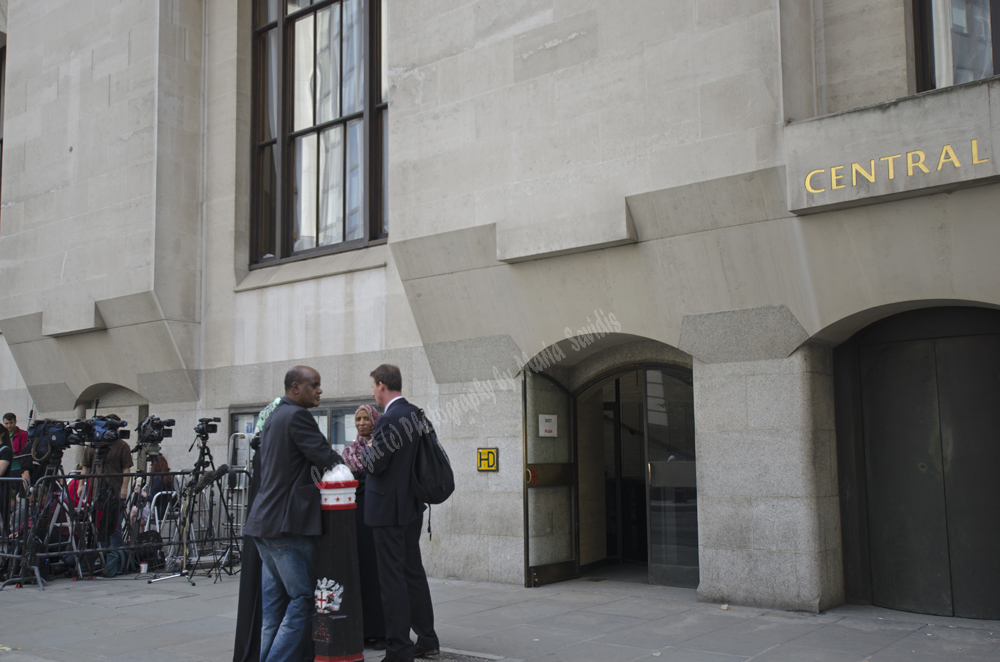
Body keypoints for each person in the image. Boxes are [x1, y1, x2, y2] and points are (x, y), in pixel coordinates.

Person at [243, 367, 344, 662]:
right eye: (315, 385)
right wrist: (349, 467)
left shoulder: (275, 416)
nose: (320, 390)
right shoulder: (298, 416)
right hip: (287, 527)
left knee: (273, 610)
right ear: (296, 387)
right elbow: (325, 457)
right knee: (301, 599)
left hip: (264, 525)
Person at [364, 364, 439, 662]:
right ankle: (427, 639)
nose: (373, 393)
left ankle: (398, 648)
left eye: (373, 387)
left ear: (382, 385)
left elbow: (375, 464)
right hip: (410, 507)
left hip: (387, 511)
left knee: (392, 579)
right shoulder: (415, 414)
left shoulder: (389, 418)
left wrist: (369, 447)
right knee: (413, 573)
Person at [342, 404, 387, 649]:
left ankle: (380, 631)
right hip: (355, 521)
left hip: (375, 519)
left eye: (366, 418)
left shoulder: (382, 447)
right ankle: (361, 630)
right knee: (358, 575)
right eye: (358, 419)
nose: (361, 423)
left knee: (376, 575)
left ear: (375, 420)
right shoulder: (349, 451)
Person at [80, 416, 134, 545]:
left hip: (115, 490)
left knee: (115, 527)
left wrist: (124, 489)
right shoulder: (93, 444)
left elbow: (126, 468)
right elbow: (86, 465)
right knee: (98, 526)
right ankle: (100, 555)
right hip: (96, 490)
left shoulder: (122, 445)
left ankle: (115, 557)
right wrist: (81, 485)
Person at [3, 413, 30, 485]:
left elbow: (26, 452)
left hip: (18, 468)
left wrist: (16, 454)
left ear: (15, 422)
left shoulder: (23, 434)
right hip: (6, 469)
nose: (9, 425)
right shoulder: (3, 435)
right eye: (6, 423)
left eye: (11, 423)